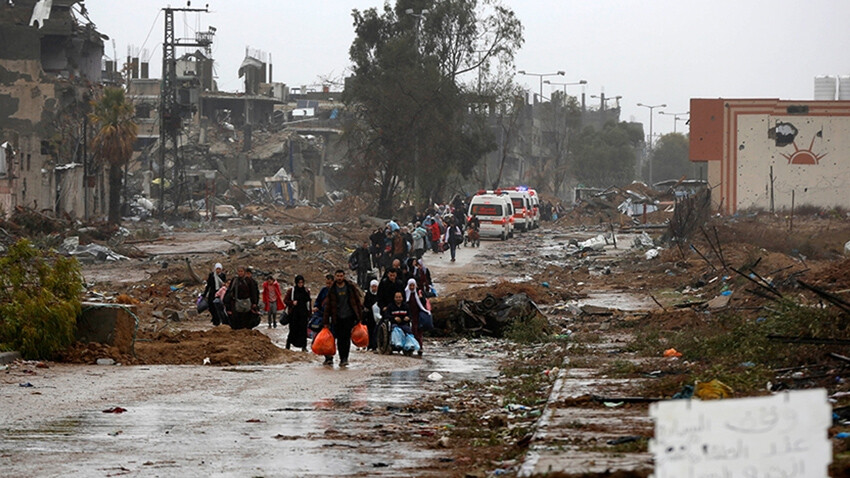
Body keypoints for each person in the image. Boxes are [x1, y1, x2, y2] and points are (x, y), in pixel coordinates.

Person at [322, 270, 363, 367]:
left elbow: (357, 302)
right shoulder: (332, 289)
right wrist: (326, 321)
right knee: (340, 339)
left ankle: (345, 358)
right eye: (338, 276)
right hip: (337, 318)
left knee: (346, 339)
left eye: (341, 276)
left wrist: (359, 316)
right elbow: (328, 306)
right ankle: (341, 358)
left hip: (349, 317)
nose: (339, 278)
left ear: (344, 276)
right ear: (335, 277)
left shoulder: (350, 287)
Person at [224, 266, 260, 330]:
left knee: (247, 318)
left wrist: (254, 302)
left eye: (241, 271)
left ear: (244, 272)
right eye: (239, 271)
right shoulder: (234, 280)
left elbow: (253, 292)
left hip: (247, 302)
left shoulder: (249, 281)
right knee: (236, 319)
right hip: (236, 302)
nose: (240, 273)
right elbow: (230, 291)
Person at [284, 275, 311, 351]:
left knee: (303, 330)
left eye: (302, 283)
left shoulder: (306, 291)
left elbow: (308, 302)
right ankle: (288, 345)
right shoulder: (291, 291)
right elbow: (285, 300)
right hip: (294, 315)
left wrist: (309, 314)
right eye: (299, 283)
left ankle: (304, 346)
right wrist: (292, 302)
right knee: (293, 330)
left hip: (303, 314)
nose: (300, 284)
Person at [405, 278, 428, 356]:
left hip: (417, 316)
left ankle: (420, 347)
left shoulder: (418, 293)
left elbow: (423, 303)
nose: (412, 287)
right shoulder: (405, 293)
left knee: (418, 332)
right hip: (408, 316)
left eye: (413, 285)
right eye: (410, 285)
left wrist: (421, 298)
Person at [363, 279, 380, 351]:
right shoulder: (368, 295)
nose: (374, 288)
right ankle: (370, 345)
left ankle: (375, 345)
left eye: (375, 287)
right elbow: (365, 304)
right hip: (370, 316)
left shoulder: (379, 295)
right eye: (373, 287)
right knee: (370, 330)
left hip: (377, 315)